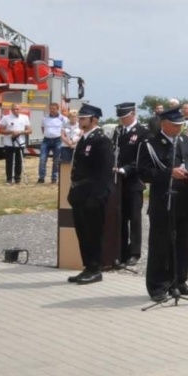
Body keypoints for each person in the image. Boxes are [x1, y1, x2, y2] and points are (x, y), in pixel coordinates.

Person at [138, 107, 188, 301]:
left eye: (181, 125)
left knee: (183, 243)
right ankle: (158, 286)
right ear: (163, 124)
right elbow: (144, 172)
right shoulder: (150, 144)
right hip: (163, 200)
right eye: (175, 125)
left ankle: (179, 281)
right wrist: (169, 173)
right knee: (161, 244)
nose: (179, 128)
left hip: (185, 199)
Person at [64, 104, 114, 285]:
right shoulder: (85, 139)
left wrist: (99, 195)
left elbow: (105, 171)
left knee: (93, 232)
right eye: (80, 118)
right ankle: (88, 266)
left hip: (93, 194)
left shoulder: (101, 140)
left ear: (94, 120)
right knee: (83, 232)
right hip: (80, 193)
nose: (80, 120)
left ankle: (95, 268)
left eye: (84, 118)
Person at [110, 103, 150, 269]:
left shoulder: (142, 133)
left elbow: (142, 158)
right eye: (120, 117)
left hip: (134, 180)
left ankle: (134, 252)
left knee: (134, 218)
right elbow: (114, 151)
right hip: (118, 181)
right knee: (120, 217)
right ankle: (121, 250)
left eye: (124, 117)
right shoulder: (118, 132)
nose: (122, 120)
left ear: (133, 114)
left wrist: (125, 169)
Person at [0, 103, 29, 184]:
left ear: (20, 109)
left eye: (17, 109)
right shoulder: (6, 118)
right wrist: (11, 132)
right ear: (11, 109)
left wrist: (20, 132)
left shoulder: (25, 118)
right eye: (14, 109)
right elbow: (0, 130)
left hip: (20, 143)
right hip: (9, 143)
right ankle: (9, 178)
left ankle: (17, 178)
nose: (15, 110)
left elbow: (29, 130)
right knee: (9, 161)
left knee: (19, 161)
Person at [37, 102, 66, 184]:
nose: (52, 110)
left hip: (58, 141)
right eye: (51, 109)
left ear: (57, 109)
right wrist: (48, 133)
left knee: (56, 160)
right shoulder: (45, 118)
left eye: (54, 109)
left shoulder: (62, 118)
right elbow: (42, 128)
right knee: (42, 159)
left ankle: (54, 178)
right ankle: (41, 178)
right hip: (46, 140)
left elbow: (66, 129)